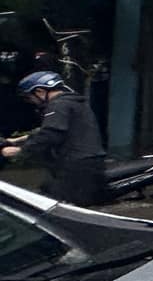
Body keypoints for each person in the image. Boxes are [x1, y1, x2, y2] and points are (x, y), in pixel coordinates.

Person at [3, 71, 107, 206]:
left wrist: (20, 151)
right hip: (89, 161)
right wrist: (17, 140)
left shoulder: (58, 105)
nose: (31, 102)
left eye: (29, 97)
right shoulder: (74, 102)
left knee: (59, 207)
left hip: (75, 166)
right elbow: (55, 129)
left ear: (40, 91)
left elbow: (50, 134)